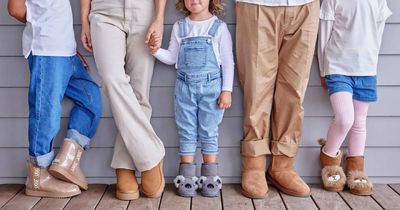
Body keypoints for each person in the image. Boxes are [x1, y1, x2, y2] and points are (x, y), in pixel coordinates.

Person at [8, 0, 102, 198]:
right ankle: (38, 175)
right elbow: (15, 9)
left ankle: (67, 162)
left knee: (90, 99)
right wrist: (41, 23)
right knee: (46, 112)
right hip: (46, 48)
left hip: (65, 50)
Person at [80, 0, 167, 200]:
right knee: (112, 79)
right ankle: (150, 155)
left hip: (144, 11)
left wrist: (159, 18)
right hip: (104, 12)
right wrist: (84, 20)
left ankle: (124, 165)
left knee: (139, 93)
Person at [148, 0, 234, 197]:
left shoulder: (219, 27)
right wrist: (155, 51)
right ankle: (187, 177)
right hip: (184, 88)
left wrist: (226, 90)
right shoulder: (180, 27)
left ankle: (210, 177)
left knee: (209, 131)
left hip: (212, 89)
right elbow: (172, 57)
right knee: (186, 130)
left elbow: (228, 61)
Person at [236, 0, 320, 198]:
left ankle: (283, 165)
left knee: (295, 89)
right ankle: (254, 164)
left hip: (306, 6)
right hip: (257, 5)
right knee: (256, 88)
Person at [318, 0, 392, 195]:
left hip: (366, 69)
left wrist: (371, 62)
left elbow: (379, 31)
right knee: (345, 119)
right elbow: (324, 33)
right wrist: (323, 70)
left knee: (359, 122)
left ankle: (356, 172)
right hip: (337, 67)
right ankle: (330, 162)